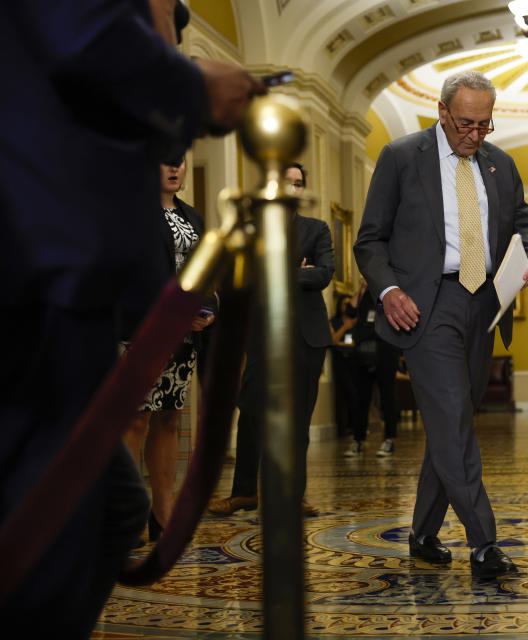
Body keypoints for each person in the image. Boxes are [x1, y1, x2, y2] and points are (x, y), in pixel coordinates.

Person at [0, 1, 264, 635]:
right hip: (36, 269)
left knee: (103, 506)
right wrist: (195, 85)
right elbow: (79, 37)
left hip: (61, 280)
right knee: (84, 507)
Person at [354, 70, 528, 577]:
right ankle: (484, 544)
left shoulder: (501, 165)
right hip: (427, 304)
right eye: (466, 123)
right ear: (442, 112)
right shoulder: (400, 157)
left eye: (485, 125)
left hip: (484, 305)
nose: (475, 134)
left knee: (452, 422)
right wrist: (390, 290)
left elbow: (524, 224)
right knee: (455, 423)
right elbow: (369, 241)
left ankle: (422, 533)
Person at [208, 162, 334, 517]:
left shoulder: (317, 229)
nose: (292, 189)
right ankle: (244, 492)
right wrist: (298, 271)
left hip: (307, 337)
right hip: (260, 335)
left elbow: (323, 274)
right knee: (250, 413)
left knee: (298, 421)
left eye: (299, 184)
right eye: (287, 183)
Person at [121, 157, 215, 544]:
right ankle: (127, 515)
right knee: (136, 420)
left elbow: (208, 268)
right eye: (164, 163)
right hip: (143, 330)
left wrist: (207, 309)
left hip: (183, 335)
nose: (174, 170)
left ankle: (163, 514)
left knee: (170, 418)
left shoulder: (192, 216)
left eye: (179, 163)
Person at [342, 279, 401, 458]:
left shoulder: (390, 290)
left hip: (386, 348)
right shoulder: (364, 293)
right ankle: (357, 440)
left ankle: (389, 439)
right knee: (361, 398)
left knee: (387, 396)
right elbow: (350, 311)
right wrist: (361, 289)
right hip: (363, 349)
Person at [330, 293, 360, 439]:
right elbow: (332, 341)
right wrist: (345, 327)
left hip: (354, 361)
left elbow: (356, 343)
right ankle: (344, 429)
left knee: (355, 394)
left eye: (349, 304)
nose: (346, 307)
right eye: (344, 304)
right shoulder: (334, 321)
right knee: (344, 395)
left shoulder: (357, 321)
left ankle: (355, 428)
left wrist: (341, 343)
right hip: (340, 361)